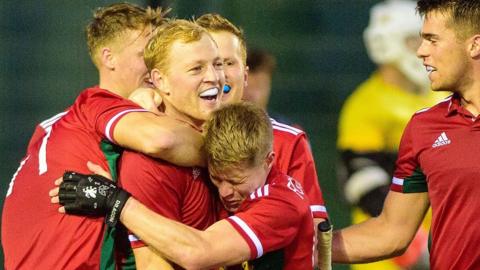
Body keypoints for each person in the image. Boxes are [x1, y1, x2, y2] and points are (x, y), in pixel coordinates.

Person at [1, 4, 206, 270]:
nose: (156, 68)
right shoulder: (95, 104)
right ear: (109, 58)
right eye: (146, 55)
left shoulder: (55, 130)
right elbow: (161, 140)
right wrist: (233, 155)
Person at [53, 102, 316, 270]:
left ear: (269, 161)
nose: (225, 192)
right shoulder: (212, 183)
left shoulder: (283, 203)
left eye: (236, 182)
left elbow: (198, 253)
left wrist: (117, 202)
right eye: (217, 178)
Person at [332, 0, 480, 269]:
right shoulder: (423, 126)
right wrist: (308, 244)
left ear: (474, 45)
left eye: (433, 40)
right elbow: (392, 230)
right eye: (418, 40)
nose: (422, 52)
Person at [196, 12, 328, 224]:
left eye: (228, 63)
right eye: (207, 64)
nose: (218, 75)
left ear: (245, 75)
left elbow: (314, 233)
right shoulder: (159, 137)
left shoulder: (288, 142)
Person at [115, 19, 224, 269]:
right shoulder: (147, 163)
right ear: (160, 81)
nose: (214, 77)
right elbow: (154, 264)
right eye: (196, 69)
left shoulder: (243, 136)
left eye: (218, 65)